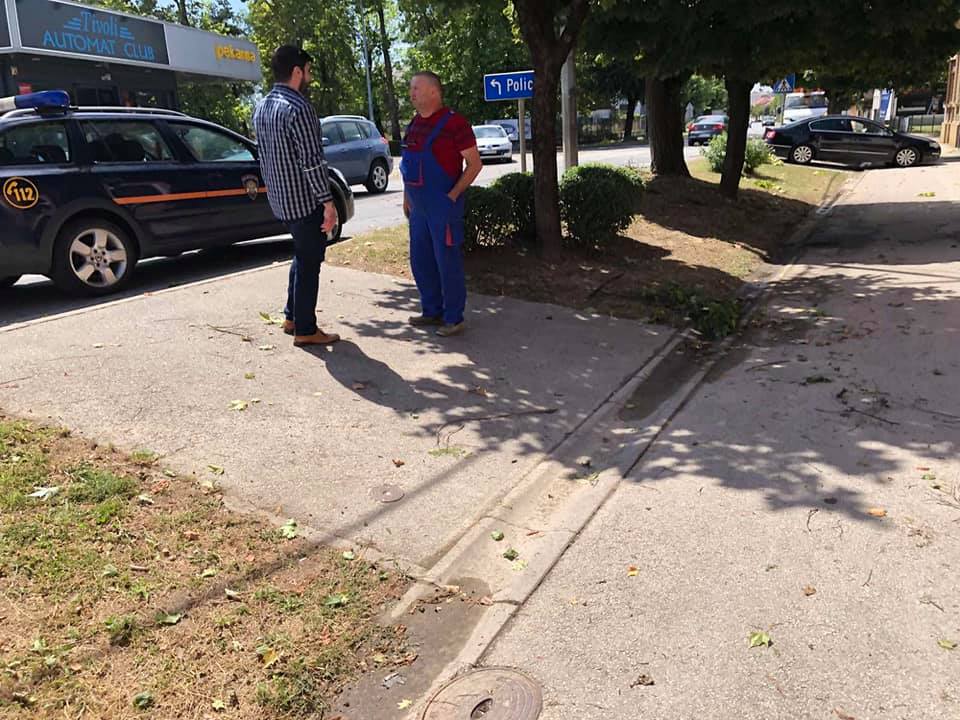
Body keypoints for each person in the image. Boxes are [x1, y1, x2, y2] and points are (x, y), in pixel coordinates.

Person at [252, 45, 340, 346]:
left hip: (280, 201)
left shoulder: (262, 107)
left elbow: (265, 157)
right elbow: (312, 161)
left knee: (301, 255)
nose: (310, 77)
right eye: (309, 71)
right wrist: (328, 203)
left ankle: (291, 316)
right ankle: (305, 329)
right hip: (304, 201)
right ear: (297, 71)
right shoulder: (299, 108)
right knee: (309, 261)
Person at [400, 71, 482, 337]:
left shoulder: (455, 123)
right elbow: (407, 166)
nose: (411, 93)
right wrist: (406, 197)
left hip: (442, 206)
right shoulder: (414, 124)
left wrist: (453, 194)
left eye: (416, 88)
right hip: (418, 209)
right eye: (411, 88)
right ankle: (431, 310)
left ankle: (453, 318)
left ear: (434, 92)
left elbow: (474, 164)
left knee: (447, 262)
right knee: (421, 261)